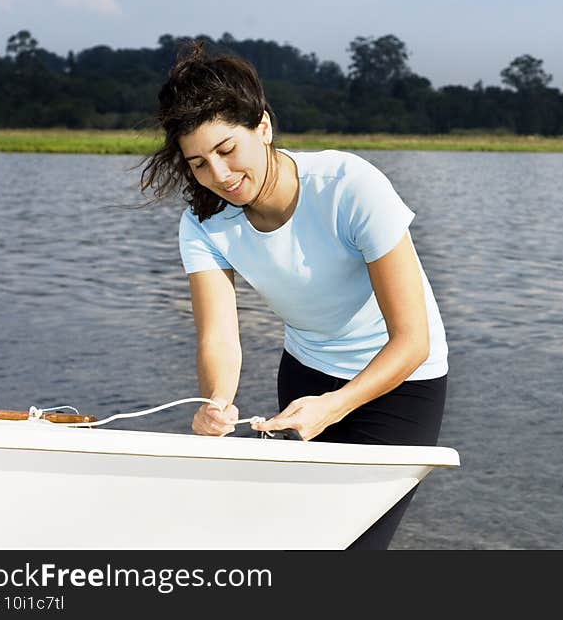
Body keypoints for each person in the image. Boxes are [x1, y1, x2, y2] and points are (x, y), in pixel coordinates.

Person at [140, 43, 448, 550]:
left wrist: (335, 407)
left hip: (403, 383)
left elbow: (413, 339)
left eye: (226, 150)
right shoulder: (203, 222)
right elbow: (219, 335)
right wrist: (216, 402)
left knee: (356, 549)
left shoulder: (350, 187)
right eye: (197, 163)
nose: (219, 177)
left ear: (263, 126)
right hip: (307, 374)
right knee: (298, 543)